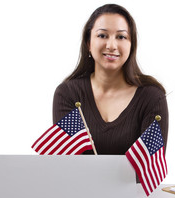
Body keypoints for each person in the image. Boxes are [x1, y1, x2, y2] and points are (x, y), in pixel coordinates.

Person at [53, 4, 168, 156]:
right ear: (88, 43)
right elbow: (70, 166)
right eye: (102, 35)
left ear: (131, 44)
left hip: (132, 182)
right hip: (80, 181)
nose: (111, 45)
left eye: (121, 37)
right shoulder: (68, 94)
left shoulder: (151, 97)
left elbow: (148, 168)